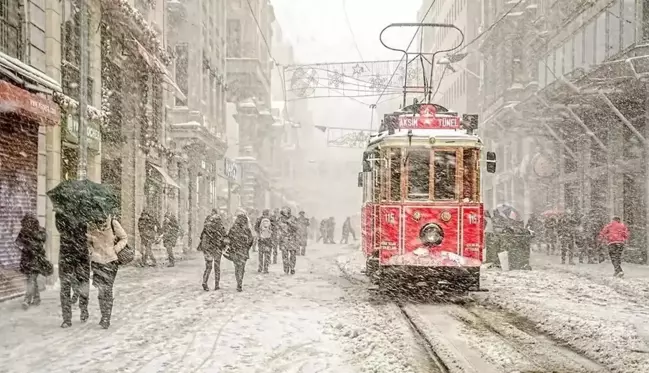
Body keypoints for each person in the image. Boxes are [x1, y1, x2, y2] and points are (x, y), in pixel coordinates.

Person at [86, 213, 128, 329]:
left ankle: (106, 318)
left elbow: (124, 238)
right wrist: (91, 251)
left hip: (111, 261)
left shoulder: (113, 223)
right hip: (97, 262)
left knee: (107, 289)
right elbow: (88, 242)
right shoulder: (91, 225)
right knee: (101, 289)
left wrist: (116, 249)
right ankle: (103, 314)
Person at [56, 211, 90, 327]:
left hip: (78, 256)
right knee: (67, 287)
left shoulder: (83, 213)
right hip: (69, 256)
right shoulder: (62, 213)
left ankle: (82, 310)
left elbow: (60, 229)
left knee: (81, 283)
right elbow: (60, 228)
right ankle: (68, 317)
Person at [15, 214, 48, 311]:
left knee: (31, 279)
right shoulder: (24, 231)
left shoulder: (40, 231)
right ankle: (37, 298)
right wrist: (24, 244)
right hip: (28, 259)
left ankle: (27, 300)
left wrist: (28, 242)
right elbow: (17, 242)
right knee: (31, 279)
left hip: (35, 259)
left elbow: (40, 243)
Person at [198, 212, 227, 291]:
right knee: (217, 267)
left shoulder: (207, 227)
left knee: (208, 266)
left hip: (208, 249)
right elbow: (225, 238)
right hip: (217, 248)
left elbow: (201, 237)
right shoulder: (220, 227)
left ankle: (205, 281)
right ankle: (216, 285)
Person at [227, 213, 254, 291]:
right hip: (243, 251)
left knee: (237, 267)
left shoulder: (233, 228)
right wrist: (247, 247)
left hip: (235, 250)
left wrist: (232, 246)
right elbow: (251, 240)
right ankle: (240, 282)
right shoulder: (247, 229)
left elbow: (229, 239)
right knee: (242, 267)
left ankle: (238, 281)